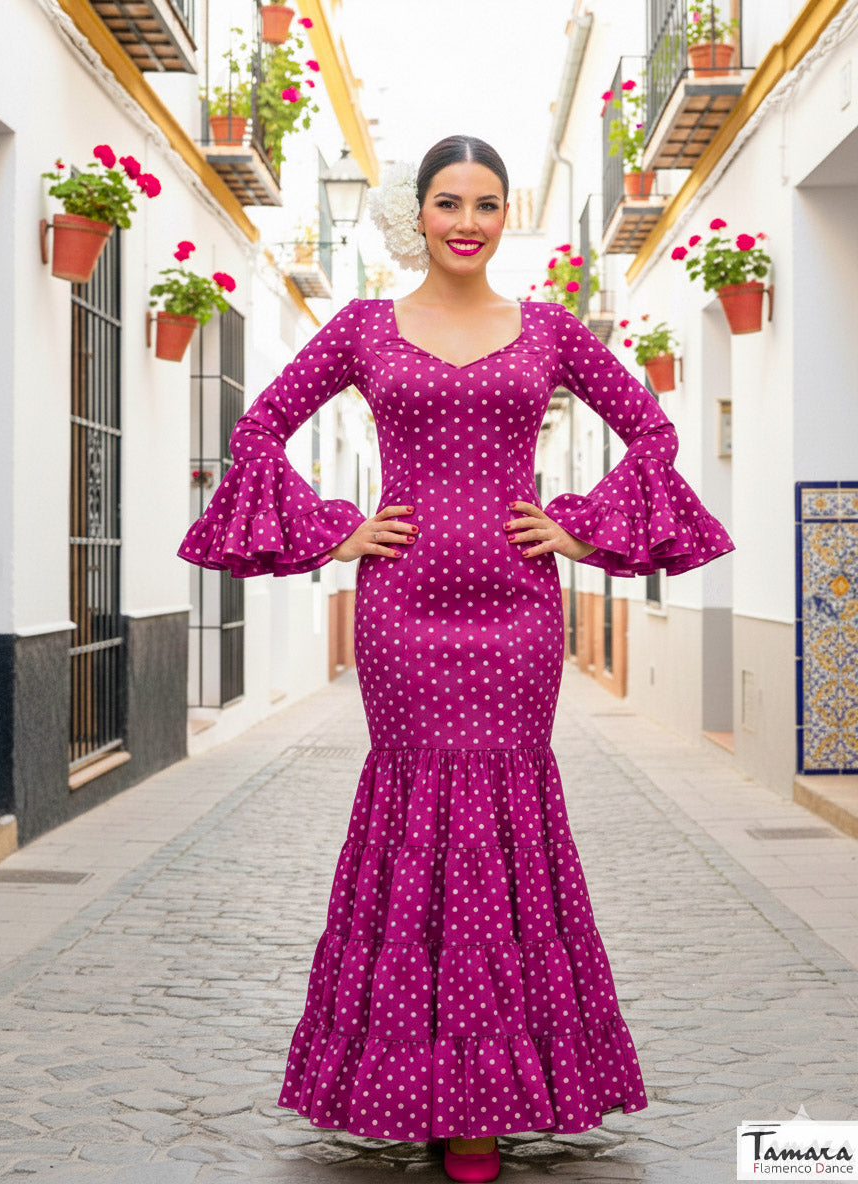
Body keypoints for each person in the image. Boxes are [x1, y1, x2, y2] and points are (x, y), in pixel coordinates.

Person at [176, 134, 734, 1183]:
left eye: (485, 201)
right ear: (418, 213)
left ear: (506, 213)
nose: (466, 219)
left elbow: (653, 435)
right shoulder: (362, 327)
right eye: (447, 201)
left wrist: (573, 526)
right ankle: (416, 1083)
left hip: (519, 615)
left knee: (505, 810)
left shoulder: (554, 329)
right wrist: (339, 530)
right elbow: (257, 432)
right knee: (418, 806)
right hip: (403, 612)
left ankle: (483, 1097)